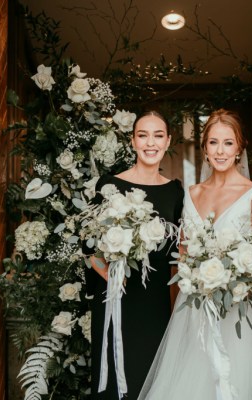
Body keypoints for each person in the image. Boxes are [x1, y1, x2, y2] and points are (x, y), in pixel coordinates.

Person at [138, 109, 252, 400]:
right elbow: (182, 251)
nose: (220, 151)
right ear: (205, 148)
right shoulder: (192, 193)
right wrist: (195, 274)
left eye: (228, 143)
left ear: (239, 148)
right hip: (195, 311)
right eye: (213, 143)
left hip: (236, 311)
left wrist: (232, 277)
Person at [85, 111, 184, 400]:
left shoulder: (175, 193)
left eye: (157, 136)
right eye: (143, 135)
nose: (150, 143)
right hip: (116, 297)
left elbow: (179, 250)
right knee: (113, 378)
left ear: (168, 141)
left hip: (153, 302)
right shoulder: (109, 184)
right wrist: (109, 271)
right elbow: (88, 244)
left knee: (149, 375)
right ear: (133, 141)